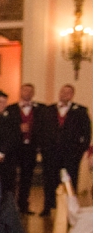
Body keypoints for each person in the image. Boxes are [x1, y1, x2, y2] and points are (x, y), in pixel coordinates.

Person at [38, 83, 92, 216]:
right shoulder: (48, 110)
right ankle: (47, 206)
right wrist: (43, 148)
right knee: (49, 179)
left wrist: (79, 151)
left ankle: (70, 209)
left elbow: (86, 133)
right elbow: (40, 130)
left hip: (71, 155)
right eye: (62, 92)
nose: (64, 95)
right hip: (50, 153)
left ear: (72, 95)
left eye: (68, 93)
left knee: (70, 181)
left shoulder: (80, 111)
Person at [6, 83, 43, 213]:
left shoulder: (40, 109)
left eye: (30, 91)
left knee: (27, 177)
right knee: (11, 177)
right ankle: (10, 206)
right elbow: (6, 129)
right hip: (14, 148)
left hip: (31, 148)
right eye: (25, 90)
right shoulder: (10, 109)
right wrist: (18, 129)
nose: (27, 93)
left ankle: (23, 205)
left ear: (33, 93)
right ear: (20, 92)